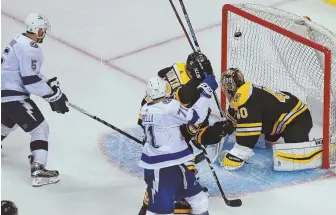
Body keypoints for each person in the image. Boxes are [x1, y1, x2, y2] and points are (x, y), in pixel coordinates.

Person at [137, 52, 233, 215]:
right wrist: (203, 88)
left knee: (183, 173)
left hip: (166, 136)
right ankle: (153, 199)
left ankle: (161, 197)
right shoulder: (176, 79)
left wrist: (218, 131)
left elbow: (198, 134)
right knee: (169, 176)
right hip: (162, 134)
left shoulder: (189, 99)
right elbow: (185, 104)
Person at [1, 13, 69, 186]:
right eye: (43, 30)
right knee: (40, 128)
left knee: (9, 122)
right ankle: (38, 169)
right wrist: (53, 97)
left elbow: (32, 74)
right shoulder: (31, 48)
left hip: (5, 93)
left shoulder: (19, 40)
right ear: (37, 30)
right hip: (13, 95)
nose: (44, 34)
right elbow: (30, 81)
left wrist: (51, 88)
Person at [219, 68, 313, 171]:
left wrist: (240, 152)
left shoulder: (246, 97)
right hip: (280, 115)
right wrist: (219, 131)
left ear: (233, 85)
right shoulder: (240, 95)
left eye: (226, 85)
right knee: (268, 134)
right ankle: (277, 132)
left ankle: (311, 146)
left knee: (296, 150)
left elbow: (248, 129)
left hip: (297, 117)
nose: (224, 88)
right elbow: (232, 121)